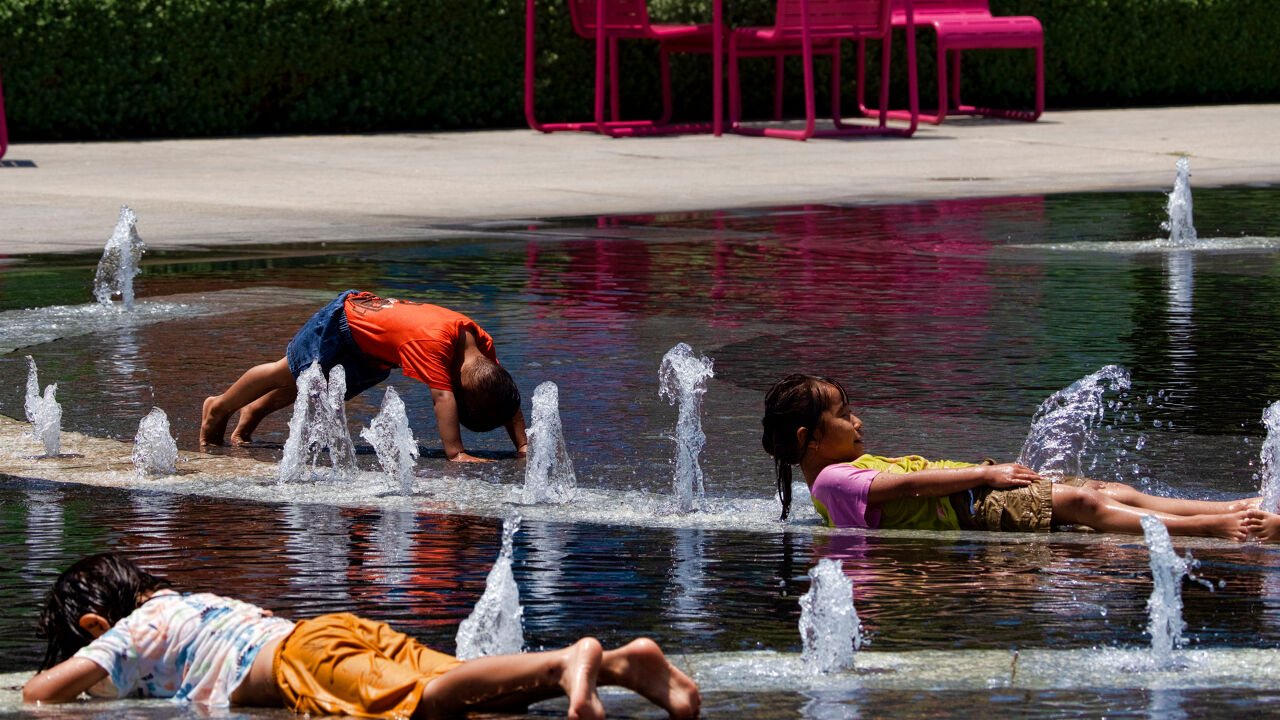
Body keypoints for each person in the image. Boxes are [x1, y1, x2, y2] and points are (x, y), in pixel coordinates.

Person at [23, 553, 701, 720]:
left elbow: (41, 696)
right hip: (331, 630)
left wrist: (65, 671)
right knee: (476, 694)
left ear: (94, 625)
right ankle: (620, 664)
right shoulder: (182, 601)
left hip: (299, 658)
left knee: (426, 705)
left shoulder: (130, 631)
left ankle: (568, 662)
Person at [760, 373, 1258, 540]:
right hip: (979, 507)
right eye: (846, 416)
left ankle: (1229, 508)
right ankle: (1209, 529)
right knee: (1086, 506)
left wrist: (985, 474)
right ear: (811, 439)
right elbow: (908, 487)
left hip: (981, 495)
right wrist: (987, 472)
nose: (858, 422)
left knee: (1102, 490)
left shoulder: (842, 471)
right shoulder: (830, 484)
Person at [200, 290, 527, 462]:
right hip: (342, 323)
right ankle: (220, 406)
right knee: (285, 370)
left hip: (368, 348)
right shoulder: (434, 347)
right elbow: (442, 398)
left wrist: (522, 445)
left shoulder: (480, 347)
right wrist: (455, 453)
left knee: (310, 387)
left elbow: (505, 394)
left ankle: (253, 411)